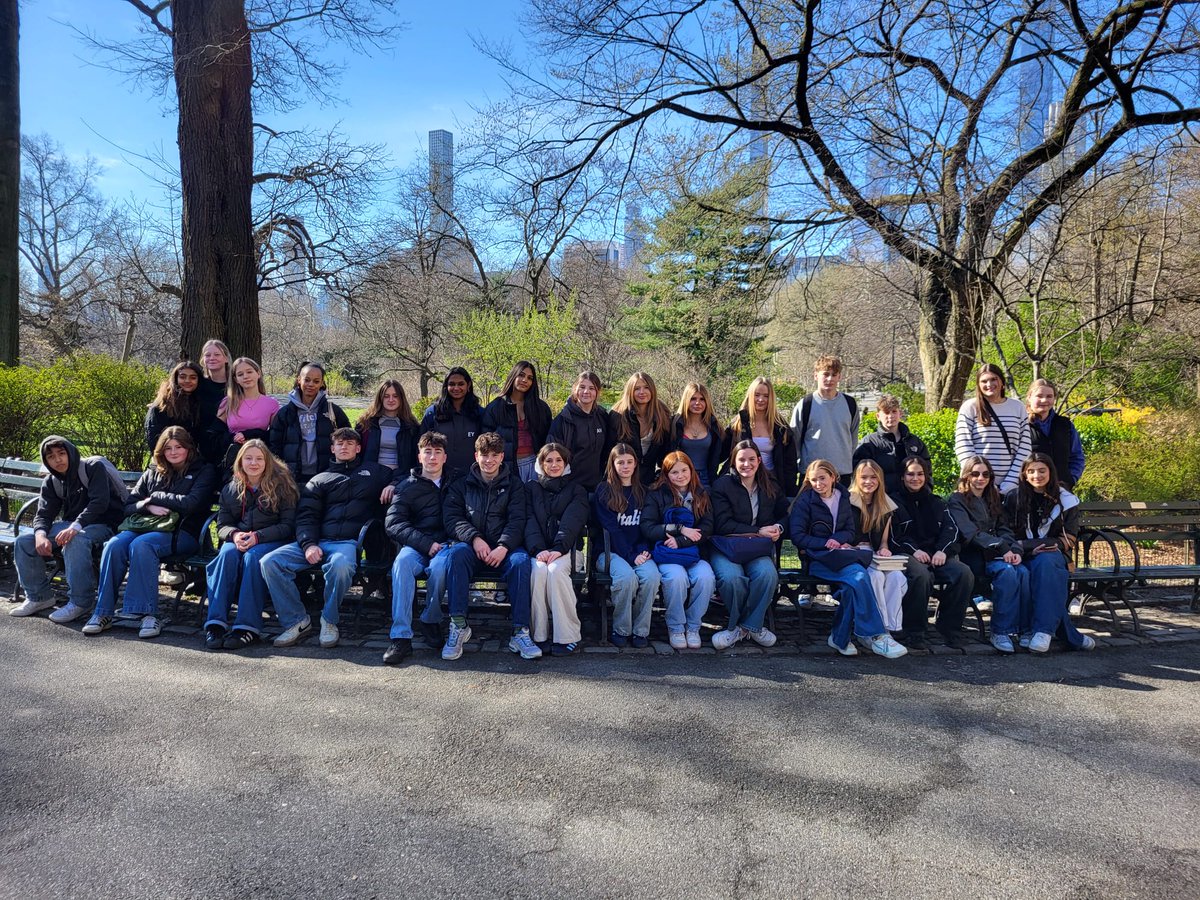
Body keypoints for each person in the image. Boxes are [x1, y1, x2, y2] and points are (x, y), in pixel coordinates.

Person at [260, 428, 393, 650]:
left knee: (341, 566)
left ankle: (329, 620)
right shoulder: (319, 480)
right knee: (270, 562)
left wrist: (393, 485)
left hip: (347, 543)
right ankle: (296, 621)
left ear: (358, 448)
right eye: (340, 443)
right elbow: (306, 516)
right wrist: (309, 544)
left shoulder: (376, 472)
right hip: (316, 541)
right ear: (332, 448)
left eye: (350, 443)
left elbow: (404, 476)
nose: (344, 447)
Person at [83, 427, 218, 639]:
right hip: (144, 525)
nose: (173, 452)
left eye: (179, 447)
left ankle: (148, 614)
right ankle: (102, 613)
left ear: (189, 448)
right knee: (114, 545)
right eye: (168, 448)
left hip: (184, 533)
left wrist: (156, 496)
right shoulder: (153, 471)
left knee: (142, 545)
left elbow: (191, 504)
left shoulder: (203, 470)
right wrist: (147, 506)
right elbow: (128, 506)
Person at [789, 459, 907, 659]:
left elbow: (849, 530)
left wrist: (838, 539)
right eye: (814, 480)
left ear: (833, 477)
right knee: (858, 581)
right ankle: (877, 635)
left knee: (856, 583)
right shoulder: (805, 501)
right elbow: (798, 537)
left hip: (843, 556)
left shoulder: (843, 496)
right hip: (818, 559)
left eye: (823, 479)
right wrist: (827, 542)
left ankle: (839, 637)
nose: (819, 484)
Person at [435, 432, 538, 660]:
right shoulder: (461, 484)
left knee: (521, 562)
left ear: (502, 457)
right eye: (484, 455)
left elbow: (518, 520)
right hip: (472, 547)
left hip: (506, 549)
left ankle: (520, 632)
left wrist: (503, 545)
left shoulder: (515, 486)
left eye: (494, 455)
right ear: (476, 455)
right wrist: (474, 538)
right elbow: (452, 518)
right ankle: (459, 625)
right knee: (456, 554)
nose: (488, 460)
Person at [9, 436, 126, 622]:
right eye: (51, 456)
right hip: (71, 526)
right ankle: (39, 597)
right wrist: (40, 534)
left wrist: (75, 526)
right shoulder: (52, 481)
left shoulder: (93, 468)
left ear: (70, 452)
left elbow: (99, 503)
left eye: (62, 453)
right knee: (24, 541)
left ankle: (81, 602)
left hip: (105, 525)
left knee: (75, 539)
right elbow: (44, 513)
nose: (58, 460)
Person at [203, 439, 298, 651]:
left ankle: (247, 627)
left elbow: (288, 526)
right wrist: (235, 535)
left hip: (273, 540)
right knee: (226, 555)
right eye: (248, 458)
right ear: (240, 461)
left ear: (267, 462)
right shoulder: (231, 488)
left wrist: (258, 536)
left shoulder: (283, 485)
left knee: (252, 558)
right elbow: (223, 525)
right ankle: (215, 624)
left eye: (259, 459)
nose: (253, 463)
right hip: (241, 538)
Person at [1003, 453, 1096, 653]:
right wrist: (1029, 548)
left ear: (1050, 472)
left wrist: (1041, 546)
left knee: (1045, 562)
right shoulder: (1014, 497)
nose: (1037, 475)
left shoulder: (1066, 500)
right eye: (1031, 471)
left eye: (1042, 470)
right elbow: (1007, 533)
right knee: (1032, 572)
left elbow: (1069, 538)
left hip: (1053, 554)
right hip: (1022, 554)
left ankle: (1042, 631)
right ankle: (1069, 635)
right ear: (1025, 474)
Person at [383, 431, 455, 666]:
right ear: (419, 456)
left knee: (441, 568)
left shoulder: (457, 482)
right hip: (416, 545)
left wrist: (444, 544)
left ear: (445, 457)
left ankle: (430, 619)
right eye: (428, 452)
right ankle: (400, 637)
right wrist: (426, 544)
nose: (432, 457)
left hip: (446, 545)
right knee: (402, 564)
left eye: (437, 452)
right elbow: (394, 524)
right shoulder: (406, 486)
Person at [708, 440, 788, 650]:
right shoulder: (722, 485)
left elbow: (786, 513)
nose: (747, 464)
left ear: (759, 461)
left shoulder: (770, 484)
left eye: (752, 459)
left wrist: (778, 527)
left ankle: (745, 627)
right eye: (741, 459)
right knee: (732, 578)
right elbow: (722, 524)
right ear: (733, 461)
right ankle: (745, 626)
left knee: (767, 575)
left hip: (757, 548)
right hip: (727, 547)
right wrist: (758, 530)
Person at [888, 455, 973, 649]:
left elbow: (951, 530)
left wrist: (943, 551)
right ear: (902, 476)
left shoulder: (937, 502)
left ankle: (950, 627)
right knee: (921, 575)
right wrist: (914, 551)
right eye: (910, 474)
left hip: (937, 554)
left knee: (963, 573)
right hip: (906, 553)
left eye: (920, 474)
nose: (915, 478)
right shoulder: (893, 502)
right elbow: (893, 537)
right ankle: (914, 631)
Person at [948, 456, 1026, 654]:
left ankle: (1024, 629)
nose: (980, 478)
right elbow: (970, 533)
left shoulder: (994, 498)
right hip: (974, 558)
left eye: (985, 474)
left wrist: (1014, 549)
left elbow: (1004, 529)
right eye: (975, 474)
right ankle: (1000, 631)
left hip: (998, 555)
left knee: (1023, 571)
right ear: (966, 475)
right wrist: (1001, 548)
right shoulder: (957, 500)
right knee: (1008, 572)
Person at [641, 451, 716, 650]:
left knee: (705, 577)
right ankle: (675, 626)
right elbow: (648, 527)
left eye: (684, 470)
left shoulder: (701, 493)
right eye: (674, 472)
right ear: (666, 474)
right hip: (667, 554)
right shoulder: (656, 494)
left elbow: (707, 528)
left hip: (692, 552)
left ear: (691, 471)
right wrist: (677, 530)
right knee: (677, 578)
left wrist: (682, 541)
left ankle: (693, 626)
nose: (680, 476)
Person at [593, 444, 661, 648]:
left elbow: (646, 526)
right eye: (620, 462)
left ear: (635, 464)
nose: (625, 466)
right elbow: (612, 530)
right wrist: (631, 556)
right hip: (609, 552)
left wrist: (643, 551)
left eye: (629, 462)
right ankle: (621, 628)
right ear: (612, 464)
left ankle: (641, 631)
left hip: (638, 551)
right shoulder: (604, 490)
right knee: (626, 578)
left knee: (651, 577)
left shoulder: (643, 491)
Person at [524, 443, 589, 655]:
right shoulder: (531, 488)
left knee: (555, 571)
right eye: (548, 460)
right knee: (539, 570)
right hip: (539, 551)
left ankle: (568, 635)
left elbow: (573, 522)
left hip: (568, 551)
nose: (554, 465)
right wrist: (538, 549)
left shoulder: (576, 489)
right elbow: (529, 520)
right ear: (541, 464)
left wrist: (558, 548)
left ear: (566, 463)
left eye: (558, 460)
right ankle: (539, 635)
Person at [848, 460, 906, 636]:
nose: (868, 481)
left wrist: (884, 548)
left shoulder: (885, 505)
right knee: (876, 577)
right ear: (856, 479)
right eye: (863, 477)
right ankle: (876, 627)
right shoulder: (847, 501)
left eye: (873, 477)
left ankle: (890, 627)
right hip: (855, 553)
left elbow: (883, 541)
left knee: (897, 577)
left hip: (875, 554)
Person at [269, 361, 351, 482]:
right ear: (299, 380)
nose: (311, 384)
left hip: (326, 472)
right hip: (293, 475)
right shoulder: (285, 413)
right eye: (307, 380)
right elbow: (274, 444)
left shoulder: (332, 410)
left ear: (322, 383)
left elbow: (348, 437)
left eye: (316, 381)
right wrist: (280, 470)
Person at [954, 363, 1031, 494]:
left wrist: (1010, 482)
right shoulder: (970, 407)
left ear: (1002, 381)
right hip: (977, 485)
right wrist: (980, 478)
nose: (989, 384)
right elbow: (963, 445)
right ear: (978, 385)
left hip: (1010, 486)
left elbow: (1024, 447)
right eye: (984, 381)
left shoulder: (1017, 407)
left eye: (993, 379)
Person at [790, 355, 860, 488]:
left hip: (841, 475)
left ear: (839, 377)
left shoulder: (850, 404)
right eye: (826, 374)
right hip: (812, 476)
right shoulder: (805, 404)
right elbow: (794, 441)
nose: (830, 379)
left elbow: (853, 438)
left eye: (834, 375)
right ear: (816, 375)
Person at [482, 360, 553, 483]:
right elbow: (485, 442)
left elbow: (549, 439)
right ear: (513, 376)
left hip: (536, 466)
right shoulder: (495, 407)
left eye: (530, 378)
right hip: (506, 467)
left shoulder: (541, 408)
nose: (525, 380)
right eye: (521, 375)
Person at [725, 377, 798, 496]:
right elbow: (722, 453)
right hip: (743, 483)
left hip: (772, 483)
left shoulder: (780, 426)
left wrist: (789, 491)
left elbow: (790, 463)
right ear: (750, 396)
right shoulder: (737, 424)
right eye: (757, 394)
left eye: (766, 396)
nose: (761, 399)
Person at [852, 395, 930, 495]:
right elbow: (859, 474)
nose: (890, 416)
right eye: (886, 412)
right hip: (882, 499)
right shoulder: (869, 443)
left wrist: (926, 492)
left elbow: (927, 472)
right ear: (878, 416)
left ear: (900, 413)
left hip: (912, 498)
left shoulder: (915, 442)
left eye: (894, 411)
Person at [548, 370, 612, 492]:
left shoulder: (603, 416)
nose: (586, 392)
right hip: (570, 488)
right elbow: (551, 456)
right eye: (582, 387)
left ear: (598, 392)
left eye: (591, 388)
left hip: (598, 487)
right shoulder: (563, 420)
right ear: (575, 389)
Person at [356, 379, 420, 495]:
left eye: (395, 396)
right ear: (380, 398)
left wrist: (396, 482)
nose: (391, 400)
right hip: (370, 476)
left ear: (401, 398)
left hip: (401, 478)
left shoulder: (412, 427)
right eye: (386, 396)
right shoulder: (365, 424)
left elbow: (414, 461)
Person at [216, 356, 280, 471]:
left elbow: (275, 436)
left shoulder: (272, 404)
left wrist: (249, 435)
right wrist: (233, 438)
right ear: (235, 379)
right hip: (233, 458)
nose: (246, 376)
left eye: (249, 372)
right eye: (240, 374)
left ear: (258, 373)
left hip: (260, 458)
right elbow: (216, 433)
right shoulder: (228, 402)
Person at [420, 367, 483, 479]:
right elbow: (421, 446)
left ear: (468, 386)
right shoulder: (433, 413)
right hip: (439, 478)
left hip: (472, 478)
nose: (456, 388)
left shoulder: (479, 413)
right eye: (452, 384)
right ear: (446, 386)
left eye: (461, 384)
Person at [610, 372, 672, 485]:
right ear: (630, 391)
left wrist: (661, 475)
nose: (642, 392)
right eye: (637, 388)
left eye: (646, 387)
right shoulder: (618, 415)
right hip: (622, 480)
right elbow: (609, 450)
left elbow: (666, 450)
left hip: (651, 479)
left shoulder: (663, 413)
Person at [1026, 378, 1085, 490]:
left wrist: (1071, 479)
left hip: (1061, 489)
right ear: (1029, 397)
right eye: (1039, 396)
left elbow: (1077, 456)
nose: (1044, 400)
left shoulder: (1065, 425)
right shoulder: (1021, 425)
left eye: (1049, 396)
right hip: (1028, 490)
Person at [144, 361, 212, 455]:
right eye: (182, 377)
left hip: (194, 460)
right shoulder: (162, 405)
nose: (187, 380)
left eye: (193, 377)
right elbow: (153, 438)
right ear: (175, 378)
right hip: (167, 457)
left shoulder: (202, 403)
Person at [670, 382, 725, 489]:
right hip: (678, 480)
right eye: (693, 399)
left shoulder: (714, 426)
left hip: (705, 480)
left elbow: (719, 453)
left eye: (702, 399)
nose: (697, 403)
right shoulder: (673, 425)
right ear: (686, 400)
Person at [196, 338, 233, 423]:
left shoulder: (237, 385)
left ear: (226, 359)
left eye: (217, 354)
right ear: (203, 360)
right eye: (207, 355)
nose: (212, 358)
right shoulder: (198, 385)